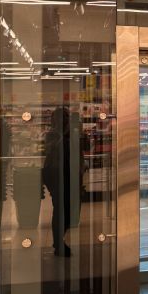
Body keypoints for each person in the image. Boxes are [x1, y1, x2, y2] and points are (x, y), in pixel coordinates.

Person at [42, 106, 87, 257]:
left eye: (68, 117)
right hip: (56, 175)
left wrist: (80, 133)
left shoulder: (73, 133)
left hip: (71, 174)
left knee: (69, 210)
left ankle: (59, 240)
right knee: (60, 209)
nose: (66, 120)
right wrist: (65, 135)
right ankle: (58, 242)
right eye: (64, 117)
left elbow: (83, 149)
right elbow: (50, 150)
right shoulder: (52, 135)